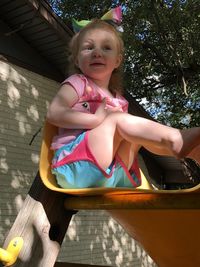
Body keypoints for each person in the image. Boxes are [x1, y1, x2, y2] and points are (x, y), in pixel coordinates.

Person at [47, 17, 200, 189]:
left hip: (113, 174)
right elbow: (54, 113)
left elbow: (145, 142)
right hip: (74, 166)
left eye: (106, 47)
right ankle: (176, 137)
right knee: (118, 120)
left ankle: (189, 150)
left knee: (138, 133)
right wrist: (94, 120)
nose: (97, 52)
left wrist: (185, 150)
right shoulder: (78, 82)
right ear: (76, 60)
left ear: (117, 61)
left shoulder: (119, 100)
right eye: (89, 47)